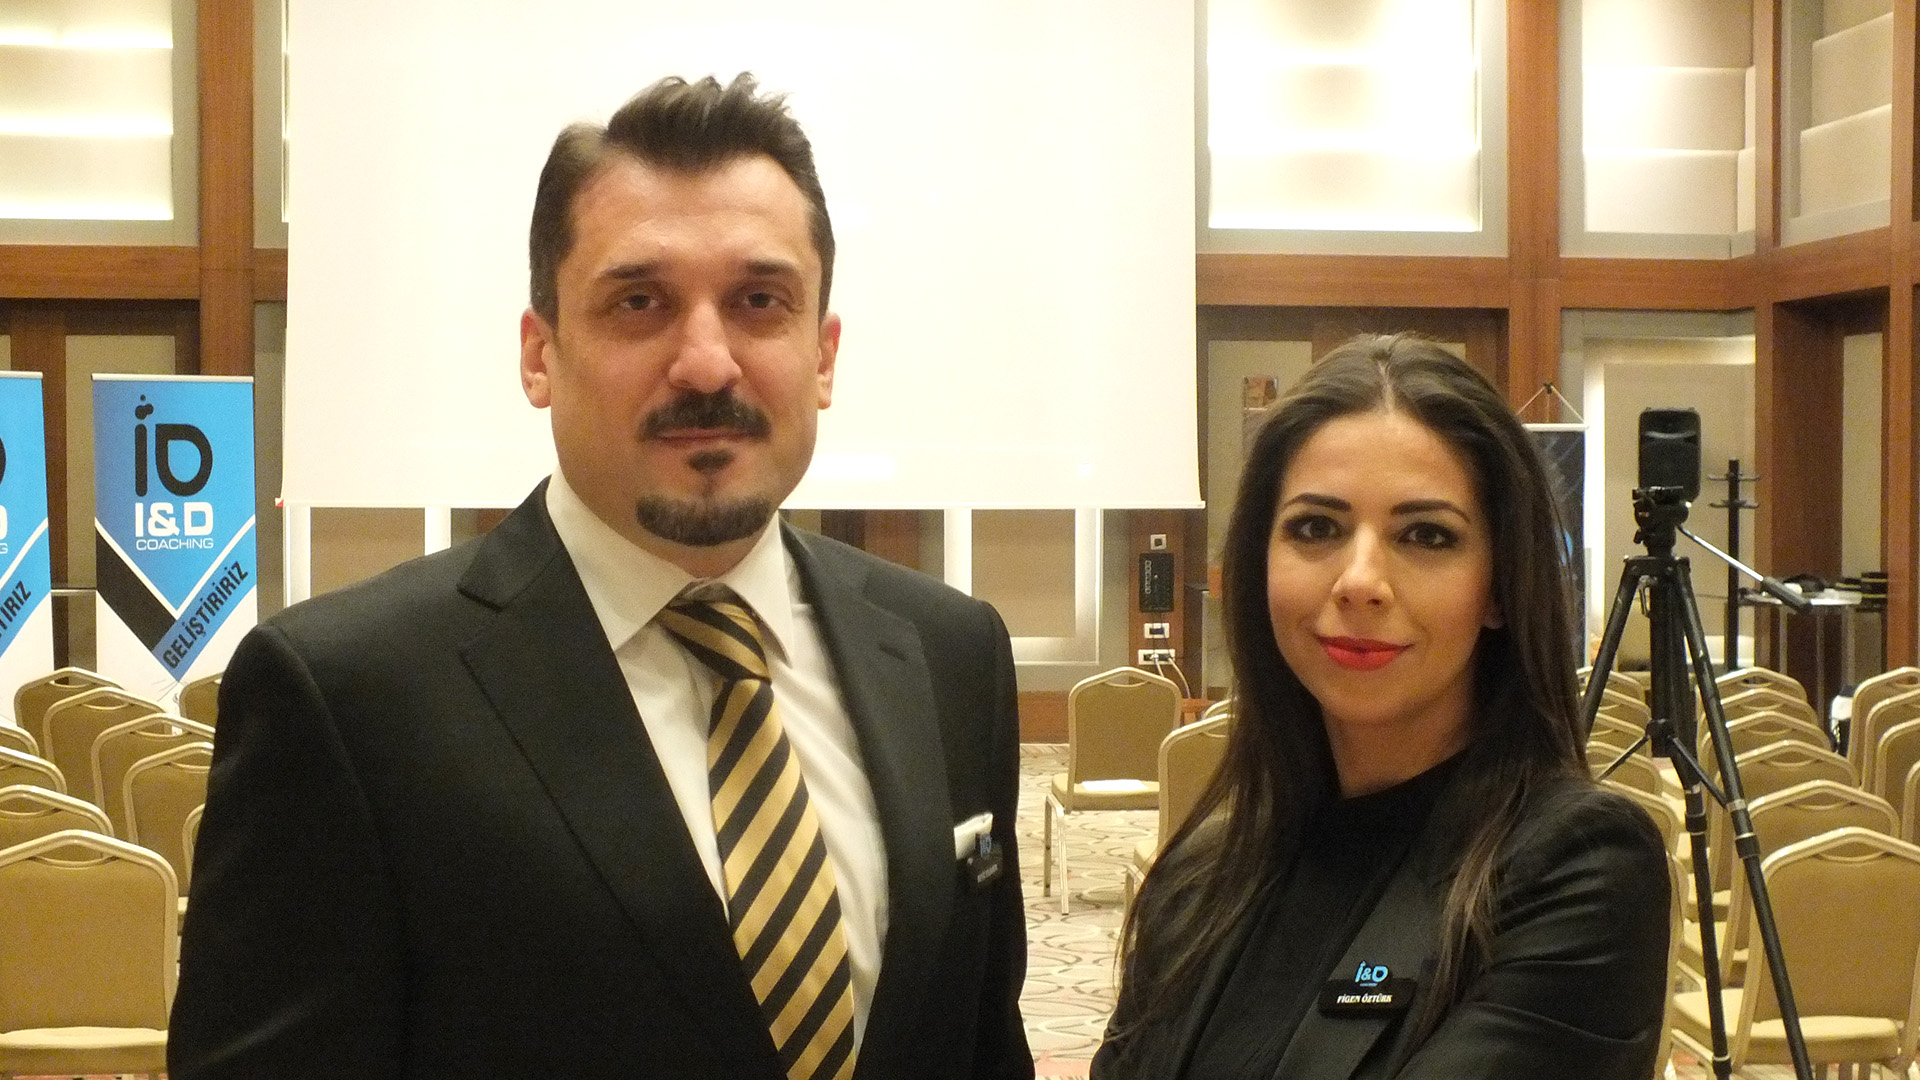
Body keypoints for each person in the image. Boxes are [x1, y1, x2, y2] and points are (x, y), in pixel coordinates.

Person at [170, 74, 1032, 1080]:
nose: (707, 363)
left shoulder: (949, 653)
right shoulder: (349, 697)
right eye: (639, 303)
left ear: (823, 354)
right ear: (540, 354)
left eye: (760, 302)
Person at [1092, 335, 1671, 1080]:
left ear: (1498, 588)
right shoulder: (1200, 876)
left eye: (1426, 535)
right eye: (1316, 528)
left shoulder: (1577, 869)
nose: (1360, 581)